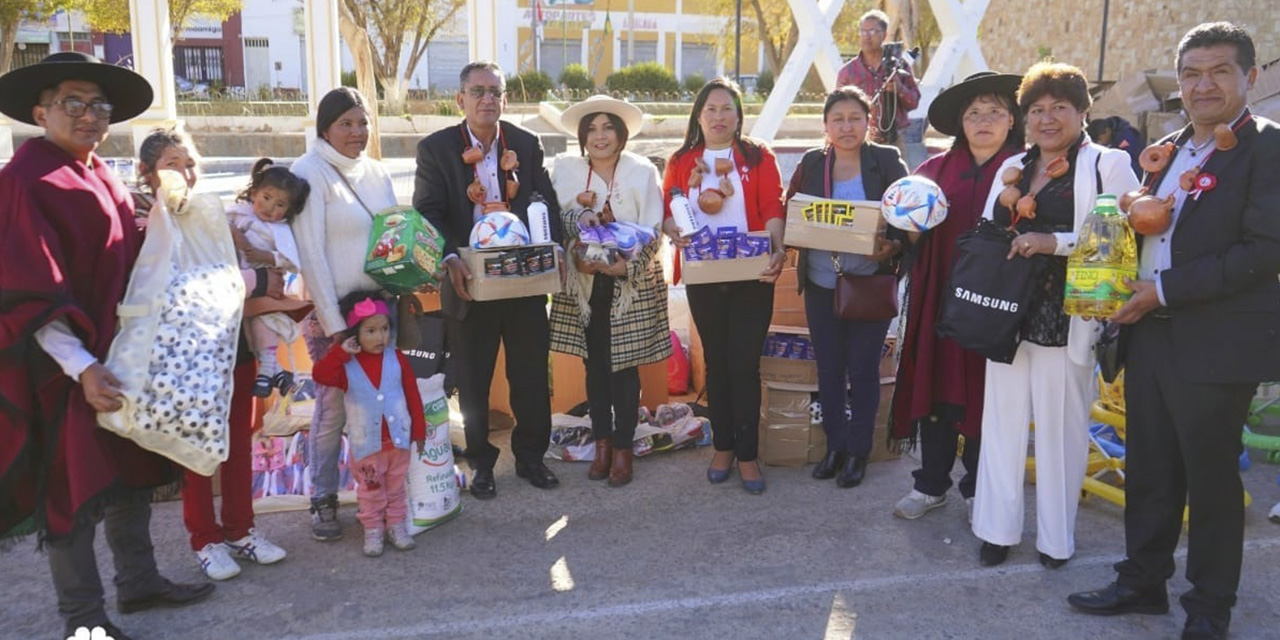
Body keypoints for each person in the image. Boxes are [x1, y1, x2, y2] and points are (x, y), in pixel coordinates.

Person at [1068, 23, 1280, 640]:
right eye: (1191, 73)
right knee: (1152, 466)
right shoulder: (1170, 146)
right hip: (1148, 329)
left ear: (1251, 77)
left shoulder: (1268, 148)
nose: (1203, 84)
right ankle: (1143, 581)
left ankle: (1210, 608)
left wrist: (1161, 290)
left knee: (1210, 477)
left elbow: (1262, 251)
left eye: (1219, 71)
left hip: (1216, 339)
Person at [0, 52, 213, 640]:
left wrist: (175, 215)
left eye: (99, 105)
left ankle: (138, 583)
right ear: (40, 111)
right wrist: (82, 367)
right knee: (73, 489)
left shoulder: (95, 171)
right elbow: (28, 287)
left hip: (120, 358)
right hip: (65, 369)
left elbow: (127, 256)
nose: (89, 115)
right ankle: (83, 622)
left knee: (126, 470)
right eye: (73, 102)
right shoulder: (24, 180)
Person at [970, 62, 1140, 569]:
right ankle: (996, 530)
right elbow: (985, 228)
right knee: (1000, 423)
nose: (1047, 119)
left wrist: (1054, 242)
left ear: (1082, 111)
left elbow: (1122, 239)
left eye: (1059, 108)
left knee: (1061, 430)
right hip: (1007, 313)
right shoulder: (1013, 167)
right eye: (1037, 110)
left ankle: (1055, 540)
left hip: (1067, 317)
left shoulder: (1107, 164)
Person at [127, 130, 294, 583]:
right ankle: (205, 538)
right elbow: (184, 282)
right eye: (172, 164)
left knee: (239, 442)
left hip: (233, 344)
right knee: (196, 448)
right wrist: (257, 283)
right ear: (147, 174)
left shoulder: (210, 212)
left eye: (189, 163)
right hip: (185, 356)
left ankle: (242, 529)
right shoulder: (142, 219)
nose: (185, 173)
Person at [413, 61, 564, 499]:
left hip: (522, 281)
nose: (487, 99)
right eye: (477, 91)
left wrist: (549, 243)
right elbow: (428, 213)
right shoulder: (436, 149)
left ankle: (532, 457)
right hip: (468, 282)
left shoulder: (526, 143)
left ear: (504, 99)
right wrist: (448, 258)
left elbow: (544, 201)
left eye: (495, 92)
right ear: (460, 99)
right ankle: (481, 462)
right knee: (474, 380)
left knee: (532, 374)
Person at [889, 72, 1024, 519]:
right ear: (960, 124)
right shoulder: (932, 173)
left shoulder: (1029, 170)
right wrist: (905, 232)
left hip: (998, 306)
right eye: (973, 114)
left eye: (994, 112)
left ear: (1011, 120)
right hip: (939, 300)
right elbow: (905, 235)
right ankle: (930, 485)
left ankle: (977, 486)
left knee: (990, 397)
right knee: (937, 387)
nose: (983, 121)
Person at [661, 78, 786, 494]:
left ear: (738, 115)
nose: (718, 116)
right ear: (698, 115)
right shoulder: (682, 160)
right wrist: (672, 231)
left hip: (751, 273)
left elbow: (772, 207)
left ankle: (748, 454)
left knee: (744, 364)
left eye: (726, 108)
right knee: (716, 362)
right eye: (710, 109)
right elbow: (667, 211)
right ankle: (724, 446)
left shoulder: (757, 156)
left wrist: (776, 248)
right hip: (705, 276)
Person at [784, 86, 907, 489]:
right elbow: (792, 209)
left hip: (868, 284)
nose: (847, 126)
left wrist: (893, 246)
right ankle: (835, 446)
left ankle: (858, 452)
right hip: (822, 281)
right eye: (838, 119)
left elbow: (908, 216)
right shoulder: (812, 162)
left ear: (868, 122)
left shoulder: (885, 161)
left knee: (864, 369)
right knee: (829, 368)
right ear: (826, 125)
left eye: (855, 117)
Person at [292, 87, 398, 541]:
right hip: (332, 314)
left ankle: (380, 497)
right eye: (345, 124)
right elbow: (310, 253)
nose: (357, 132)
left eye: (363, 122)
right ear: (324, 129)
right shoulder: (307, 172)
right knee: (332, 410)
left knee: (378, 405)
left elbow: (394, 235)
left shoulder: (376, 172)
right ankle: (323, 499)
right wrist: (335, 327)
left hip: (379, 310)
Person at [549, 95, 671, 487]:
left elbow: (654, 230)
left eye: (608, 127)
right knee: (595, 366)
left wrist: (627, 265)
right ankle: (601, 442)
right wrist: (577, 222)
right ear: (582, 137)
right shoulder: (566, 170)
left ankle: (622, 447)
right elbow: (556, 220)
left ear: (621, 134)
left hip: (629, 285)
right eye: (592, 129)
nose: (600, 136)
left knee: (624, 369)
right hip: (585, 285)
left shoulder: (641, 171)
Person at [312, 293, 426, 557]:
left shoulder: (396, 358)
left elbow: (412, 394)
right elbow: (320, 374)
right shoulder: (347, 364)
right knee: (371, 491)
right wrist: (340, 352)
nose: (380, 337)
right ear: (355, 334)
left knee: (397, 488)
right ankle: (373, 528)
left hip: (397, 443)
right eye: (371, 331)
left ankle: (396, 524)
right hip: (366, 447)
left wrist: (419, 430)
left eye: (385, 329)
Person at [227, 158, 312, 397]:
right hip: (239, 284)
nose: (269, 208)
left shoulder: (280, 231)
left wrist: (264, 255)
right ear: (254, 193)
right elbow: (217, 230)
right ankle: (276, 372)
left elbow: (290, 260)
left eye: (280, 205)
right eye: (266, 198)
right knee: (248, 327)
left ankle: (267, 370)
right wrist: (233, 233)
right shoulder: (237, 214)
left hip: (267, 288)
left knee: (262, 322)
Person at [836, 9, 921, 153]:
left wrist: (899, 88)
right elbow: (836, 108)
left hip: (896, 140)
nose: (867, 37)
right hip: (861, 140)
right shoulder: (848, 71)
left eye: (873, 32)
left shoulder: (899, 66)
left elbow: (914, 102)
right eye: (863, 32)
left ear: (884, 34)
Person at [131, 127, 200, 229]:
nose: (186, 176)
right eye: (172, 164)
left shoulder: (203, 218)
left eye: (190, 165)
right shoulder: (132, 223)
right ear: (145, 170)